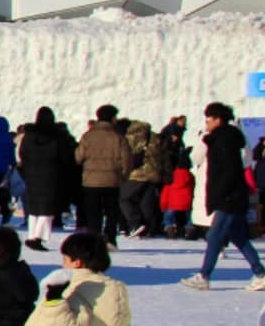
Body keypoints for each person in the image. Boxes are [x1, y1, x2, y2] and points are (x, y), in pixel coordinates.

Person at [181, 102, 265, 292]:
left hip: (228, 197)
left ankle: (204, 276)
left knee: (214, 236)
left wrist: (221, 194)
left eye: (209, 120)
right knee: (239, 238)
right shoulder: (226, 138)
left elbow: (228, 171)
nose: (206, 124)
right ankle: (260, 274)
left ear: (218, 119)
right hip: (232, 195)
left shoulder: (223, 140)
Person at [74, 104, 130, 246]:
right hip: (112, 180)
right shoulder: (118, 137)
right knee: (112, 212)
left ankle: (94, 239)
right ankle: (110, 239)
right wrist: (123, 176)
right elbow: (127, 160)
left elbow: (78, 157)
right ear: (112, 118)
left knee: (93, 212)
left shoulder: (88, 136)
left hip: (91, 181)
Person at [16, 107, 65, 251]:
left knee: (33, 207)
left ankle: (32, 235)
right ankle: (38, 236)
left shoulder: (29, 135)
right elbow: (62, 155)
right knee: (47, 207)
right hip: (50, 173)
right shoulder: (55, 136)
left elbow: (22, 153)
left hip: (31, 173)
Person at [120, 119, 168, 238]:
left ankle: (136, 224)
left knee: (124, 198)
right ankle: (148, 229)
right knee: (147, 202)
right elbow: (165, 157)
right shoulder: (155, 137)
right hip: (153, 174)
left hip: (136, 174)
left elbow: (126, 155)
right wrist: (167, 175)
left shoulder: (130, 137)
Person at [159, 162, 196, 238]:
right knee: (190, 216)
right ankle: (190, 229)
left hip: (172, 203)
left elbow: (165, 193)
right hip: (187, 202)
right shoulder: (190, 177)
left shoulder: (170, 177)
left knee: (168, 216)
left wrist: (163, 206)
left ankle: (169, 227)